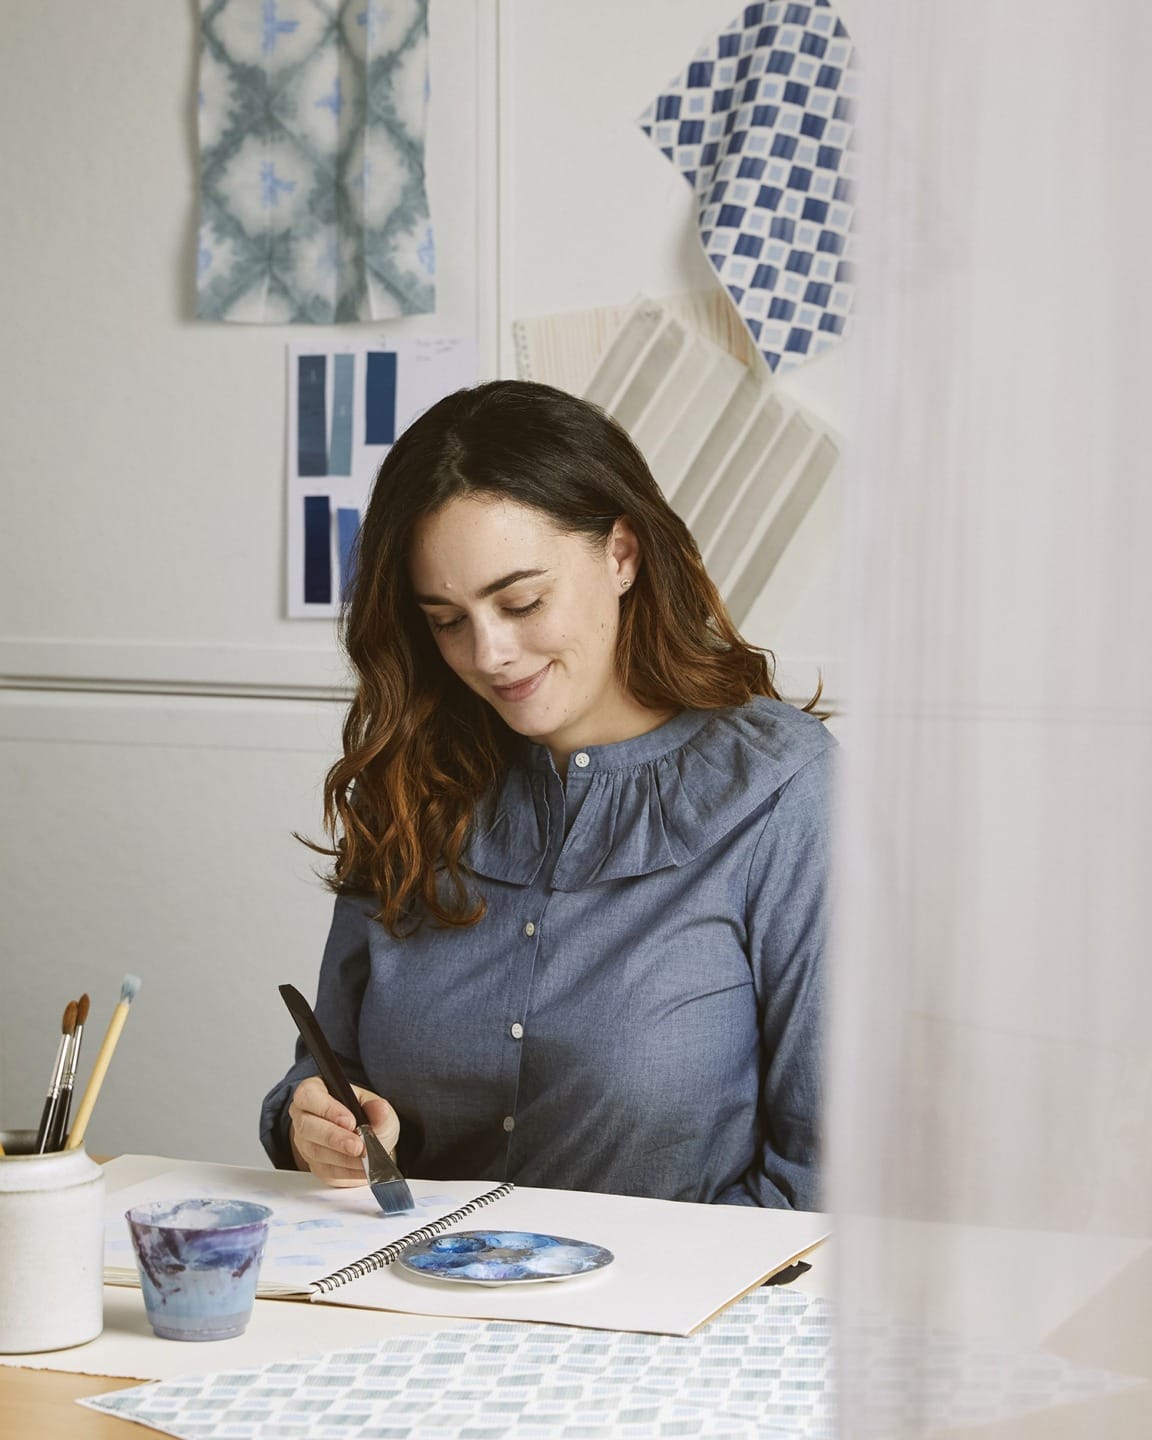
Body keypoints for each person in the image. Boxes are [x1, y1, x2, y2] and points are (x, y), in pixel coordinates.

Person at [261, 380, 835, 1209]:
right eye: (446, 619)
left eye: (522, 601)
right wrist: (310, 1121)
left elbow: (827, 1170)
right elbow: (324, 1071)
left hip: (669, 1324)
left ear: (622, 554)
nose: (488, 654)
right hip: (410, 1304)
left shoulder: (785, 792)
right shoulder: (414, 775)